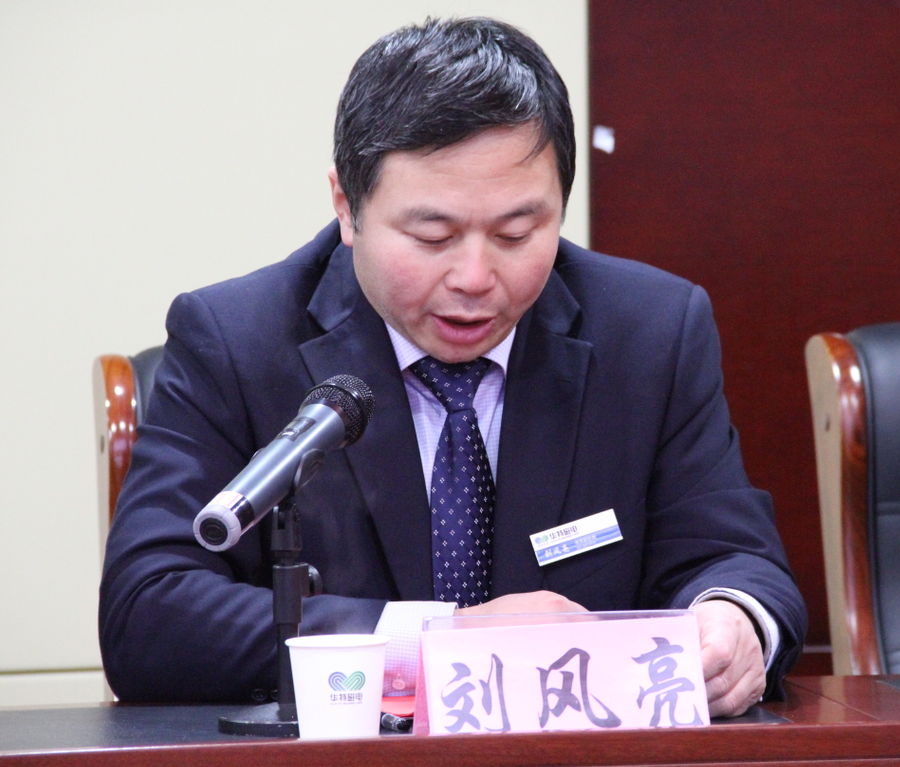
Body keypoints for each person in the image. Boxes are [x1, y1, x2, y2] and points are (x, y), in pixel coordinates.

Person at [99, 17, 806, 718]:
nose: (474, 277)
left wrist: (736, 620)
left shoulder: (649, 332)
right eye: (433, 235)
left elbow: (733, 558)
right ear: (347, 207)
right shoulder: (236, 341)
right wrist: (435, 640)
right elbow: (147, 610)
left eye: (516, 233)